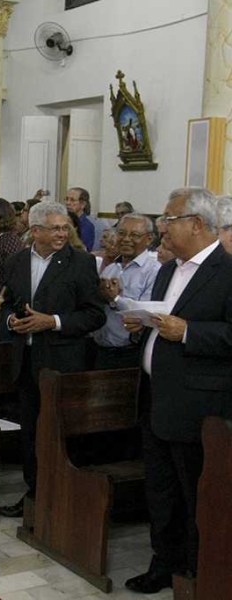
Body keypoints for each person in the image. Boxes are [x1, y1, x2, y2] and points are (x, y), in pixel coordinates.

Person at [122, 188, 232, 594]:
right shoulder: (169, 269)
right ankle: (163, 563)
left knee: (192, 494)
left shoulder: (227, 269)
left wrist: (190, 332)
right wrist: (143, 322)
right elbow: (164, 319)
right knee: (161, 490)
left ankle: (194, 568)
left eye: (170, 219)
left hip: (197, 404)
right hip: (155, 395)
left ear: (197, 224)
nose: (162, 227)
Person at [0, 202, 105, 518]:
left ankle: (62, 496)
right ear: (35, 231)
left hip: (63, 363)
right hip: (26, 359)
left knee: (59, 433)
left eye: (64, 228)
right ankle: (34, 493)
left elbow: (94, 315)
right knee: (30, 432)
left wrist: (54, 321)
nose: (62, 233)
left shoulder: (81, 263)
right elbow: (8, 305)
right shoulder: (17, 261)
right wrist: (10, 321)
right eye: (55, 228)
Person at [92, 214, 160, 370]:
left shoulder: (154, 271)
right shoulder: (111, 267)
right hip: (101, 349)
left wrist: (115, 299)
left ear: (149, 239)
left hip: (129, 353)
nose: (126, 239)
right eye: (121, 233)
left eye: (134, 235)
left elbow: (146, 315)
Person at [65, 187, 96, 251]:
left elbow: (84, 249)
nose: (68, 203)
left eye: (72, 200)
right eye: (66, 199)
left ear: (82, 204)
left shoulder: (87, 226)